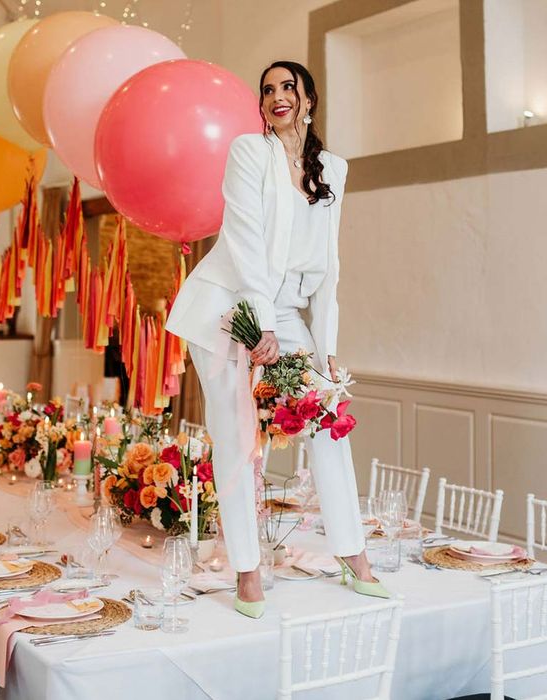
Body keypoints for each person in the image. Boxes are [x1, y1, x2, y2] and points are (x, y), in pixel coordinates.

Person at [166, 60, 388, 618]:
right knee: (237, 434)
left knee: (327, 419)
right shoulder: (249, 153)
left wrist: (326, 345)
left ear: (309, 99)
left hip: (284, 310)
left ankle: (353, 554)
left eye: (288, 86)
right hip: (225, 304)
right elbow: (242, 240)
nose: (276, 96)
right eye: (267, 90)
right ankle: (246, 569)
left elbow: (331, 267)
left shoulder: (333, 169)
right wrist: (261, 325)